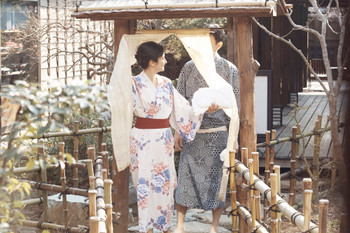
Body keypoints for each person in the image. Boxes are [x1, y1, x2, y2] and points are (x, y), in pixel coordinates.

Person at [130, 41, 218, 233]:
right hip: (142, 141)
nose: (165, 60)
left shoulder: (166, 84)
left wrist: (204, 107)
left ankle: (165, 228)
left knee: (165, 184)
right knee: (145, 184)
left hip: (162, 140)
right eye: (162, 57)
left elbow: (185, 108)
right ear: (152, 62)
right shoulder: (134, 84)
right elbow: (122, 112)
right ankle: (147, 228)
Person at [174, 25, 240, 233]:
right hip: (192, 132)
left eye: (208, 42)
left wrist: (234, 137)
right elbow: (181, 99)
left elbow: (235, 104)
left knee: (217, 179)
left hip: (218, 132)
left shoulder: (230, 69)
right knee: (185, 176)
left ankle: (214, 226)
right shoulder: (188, 67)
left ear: (219, 44)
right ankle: (180, 224)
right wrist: (177, 130)